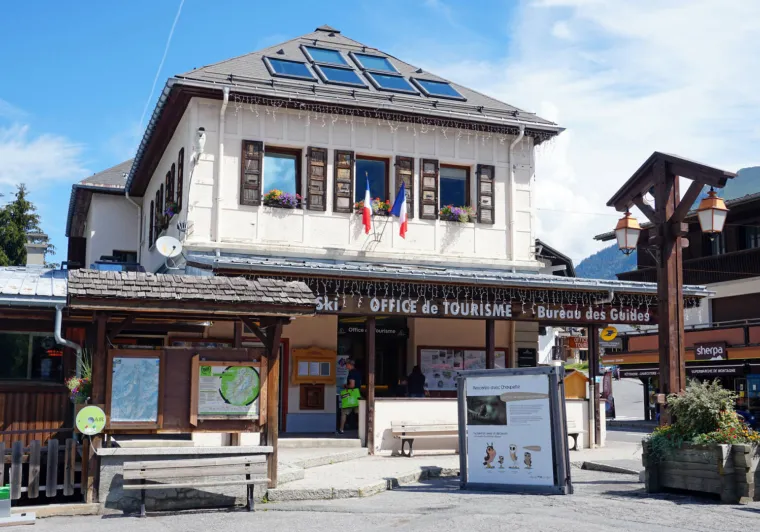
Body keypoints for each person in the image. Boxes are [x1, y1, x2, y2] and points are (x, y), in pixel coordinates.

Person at [338, 359, 362, 434]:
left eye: (346, 364)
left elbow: (352, 385)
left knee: (344, 412)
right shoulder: (358, 372)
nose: (345, 366)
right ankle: (362, 430)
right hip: (357, 394)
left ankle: (341, 429)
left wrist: (345, 386)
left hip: (350, 395)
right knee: (359, 413)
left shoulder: (351, 373)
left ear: (350, 365)